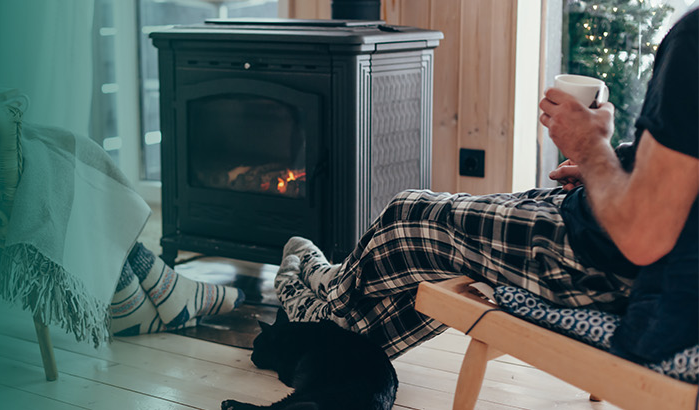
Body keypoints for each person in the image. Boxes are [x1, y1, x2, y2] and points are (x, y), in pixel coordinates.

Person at [276, 9, 697, 361]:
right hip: (604, 234)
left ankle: (315, 286)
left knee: (407, 214)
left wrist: (590, 149)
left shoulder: (693, 40)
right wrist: (615, 164)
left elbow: (643, 237)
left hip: (607, 268)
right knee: (426, 264)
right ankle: (328, 313)